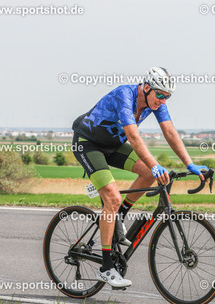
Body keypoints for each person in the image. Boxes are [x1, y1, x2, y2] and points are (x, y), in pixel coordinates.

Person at [71, 67, 207, 288]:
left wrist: (189, 164)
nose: (162, 100)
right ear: (146, 87)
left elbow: (170, 132)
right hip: (88, 144)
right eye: (160, 94)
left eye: (167, 96)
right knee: (113, 198)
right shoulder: (125, 95)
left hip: (112, 145)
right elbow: (133, 136)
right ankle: (106, 268)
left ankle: (119, 217)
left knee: (146, 174)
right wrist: (155, 165)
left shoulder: (157, 103)